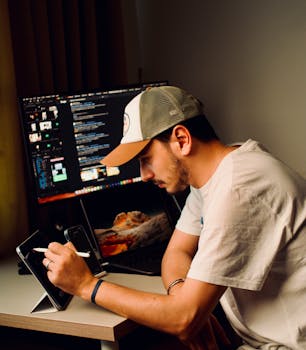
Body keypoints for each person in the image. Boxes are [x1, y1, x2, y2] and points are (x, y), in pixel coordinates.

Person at [43, 86, 306, 350]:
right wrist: (184, 299)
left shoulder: (238, 187)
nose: (144, 174)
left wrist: (86, 286)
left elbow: (182, 320)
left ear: (181, 139)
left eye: (147, 159)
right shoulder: (217, 175)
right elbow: (176, 253)